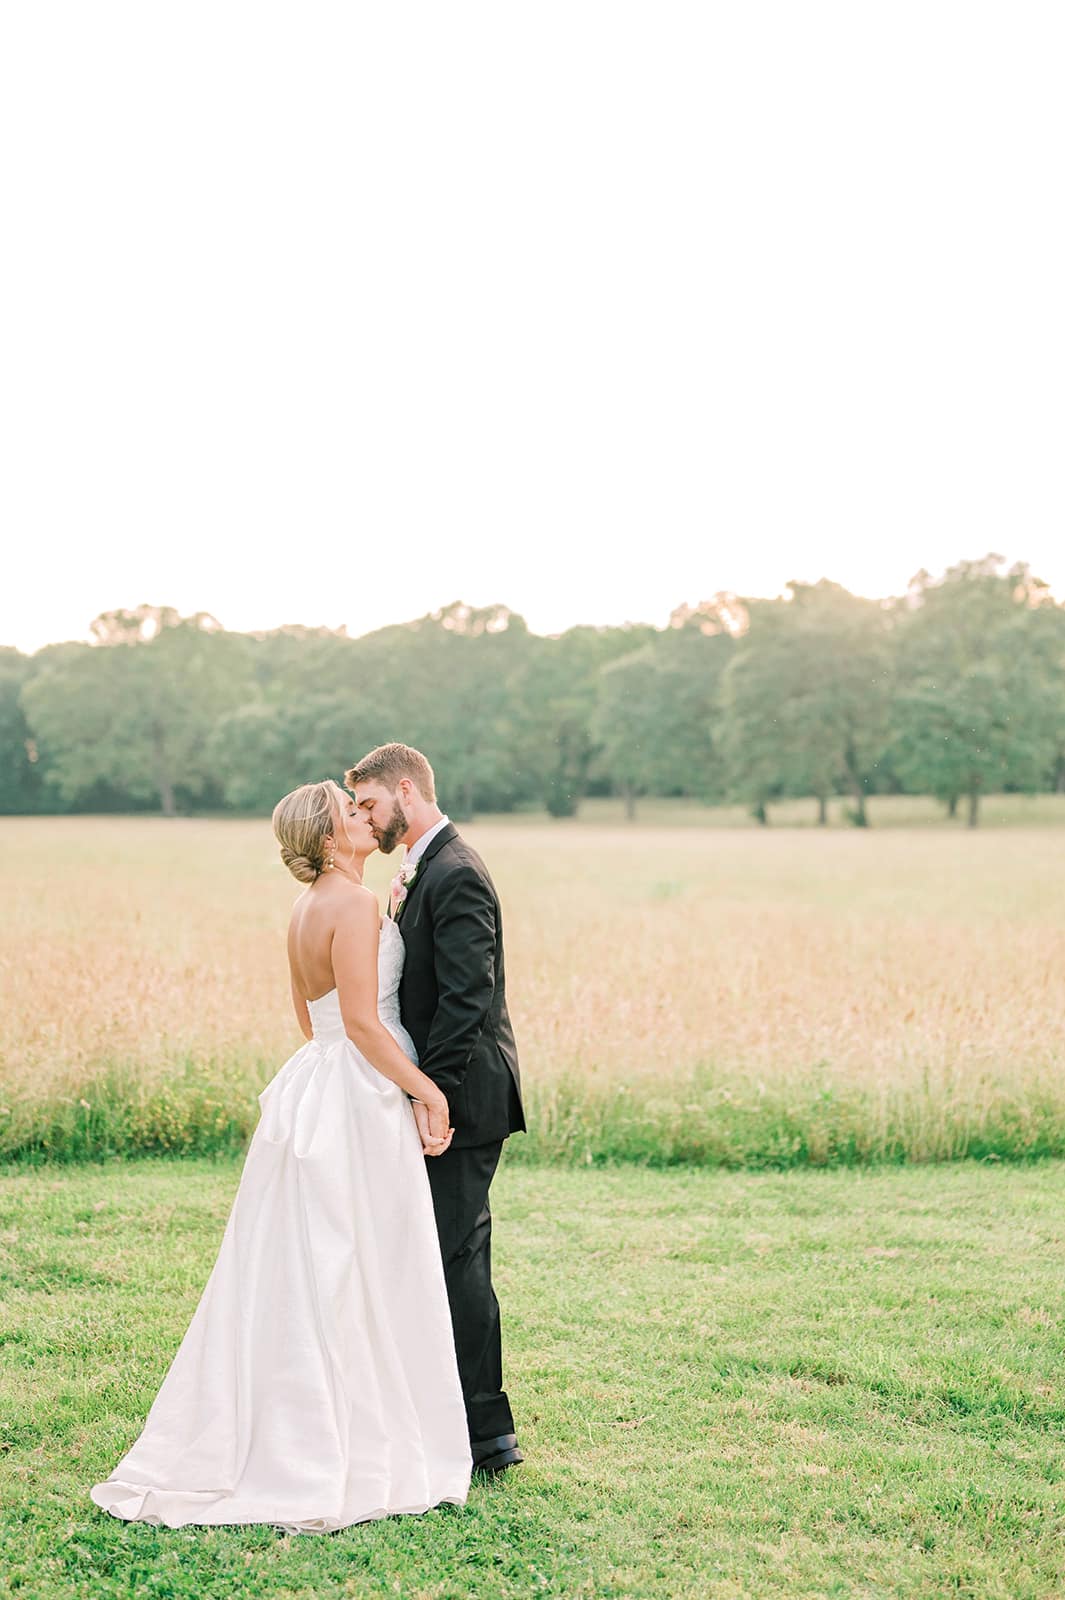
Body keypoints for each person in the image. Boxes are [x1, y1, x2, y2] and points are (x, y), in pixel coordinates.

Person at [90, 780, 471, 1532]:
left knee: (311, 1258)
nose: (365, 818)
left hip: (315, 1088)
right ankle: (347, 1435)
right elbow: (362, 1024)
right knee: (359, 1258)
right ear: (330, 839)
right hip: (359, 1094)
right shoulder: (357, 904)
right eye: (351, 813)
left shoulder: (302, 909)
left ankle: (305, 1413)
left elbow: (311, 1022)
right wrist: (429, 1092)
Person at [346, 743, 526, 1477]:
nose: (362, 817)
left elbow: (466, 999)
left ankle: (488, 1436)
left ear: (407, 790)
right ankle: (442, 1413)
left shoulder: (454, 872)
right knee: (439, 1254)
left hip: (464, 1098)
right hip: (438, 1094)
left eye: (368, 805)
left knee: (456, 1258)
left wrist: (434, 1097)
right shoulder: (420, 867)